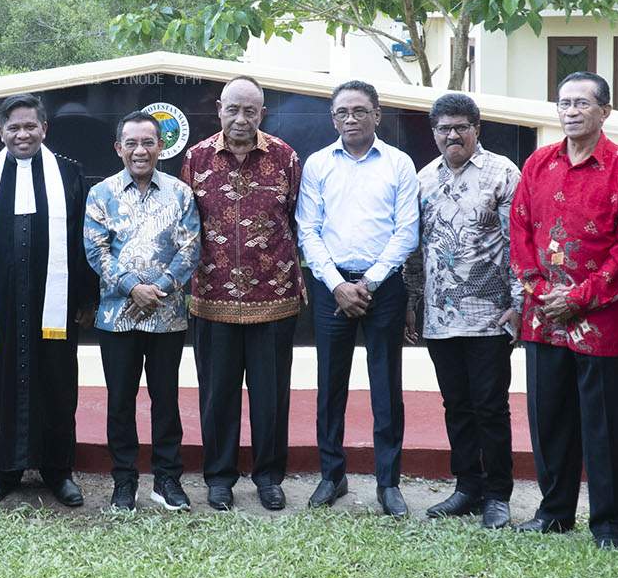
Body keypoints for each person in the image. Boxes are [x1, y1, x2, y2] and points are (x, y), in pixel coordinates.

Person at [507, 71, 618, 548]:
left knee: (605, 423)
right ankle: (554, 512)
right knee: (550, 418)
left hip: (603, 320)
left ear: (604, 111)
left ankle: (610, 523)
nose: (570, 111)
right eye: (564, 103)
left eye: (582, 103)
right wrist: (538, 290)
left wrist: (576, 298)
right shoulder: (537, 164)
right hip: (543, 315)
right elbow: (521, 230)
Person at [0, 93, 97, 507]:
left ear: (44, 128)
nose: (22, 134)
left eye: (30, 125)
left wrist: (87, 296)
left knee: (56, 381)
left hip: (54, 304)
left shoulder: (69, 175)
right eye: (13, 127)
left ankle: (58, 470)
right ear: (1, 132)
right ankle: (3, 470)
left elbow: (84, 242)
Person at [296, 80, 420, 517]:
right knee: (331, 384)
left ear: (377, 115)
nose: (351, 119)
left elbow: (407, 230)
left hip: (382, 288)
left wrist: (370, 280)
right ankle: (333, 475)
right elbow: (307, 229)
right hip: (332, 288)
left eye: (360, 111)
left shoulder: (399, 164)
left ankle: (389, 482)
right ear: (333, 119)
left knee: (386, 387)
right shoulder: (316, 165)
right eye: (342, 112)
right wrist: (336, 284)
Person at [182, 76, 304, 512]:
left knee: (272, 394)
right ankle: (219, 477)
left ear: (262, 113)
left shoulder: (285, 158)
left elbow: (297, 220)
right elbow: (186, 226)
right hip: (212, 295)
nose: (240, 119)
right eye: (233, 109)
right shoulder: (195, 159)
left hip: (274, 296)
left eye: (250, 111)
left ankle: (269, 476)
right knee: (217, 393)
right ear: (219, 109)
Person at [409, 92, 519, 530]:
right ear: (433, 132)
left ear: (478, 128)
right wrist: (414, 301)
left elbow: (518, 243)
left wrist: (518, 304)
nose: (452, 135)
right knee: (455, 405)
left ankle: (498, 494)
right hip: (440, 316)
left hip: (490, 315)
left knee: (490, 406)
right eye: (443, 128)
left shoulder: (503, 173)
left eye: (461, 127)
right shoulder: (423, 179)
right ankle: (467, 488)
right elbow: (415, 250)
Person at [84, 110, 201, 512]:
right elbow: (95, 250)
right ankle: (124, 481)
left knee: (165, 400)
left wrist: (162, 287)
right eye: (131, 143)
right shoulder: (101, 194)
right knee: (120, 402)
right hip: (118, 317)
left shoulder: (181, 194)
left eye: (148, 142)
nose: (140, 150)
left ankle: (166, 480)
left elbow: (191, 248)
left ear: (161, 146)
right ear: (118, 148)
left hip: (167, 316)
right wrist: (133, 287)